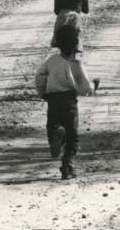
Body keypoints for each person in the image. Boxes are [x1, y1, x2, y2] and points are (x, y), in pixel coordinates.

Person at [34, 24, 95, 179]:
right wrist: (93, 86)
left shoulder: (52, 60)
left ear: (58, 43)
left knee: (52, 125)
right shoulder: (76, 64)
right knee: (72, 138)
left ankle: (55, 133)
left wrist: (42, 92)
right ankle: (67, 167)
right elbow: (84, 87)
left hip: (53, 100)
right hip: (69, 102)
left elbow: (39, 76)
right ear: (76, 44)